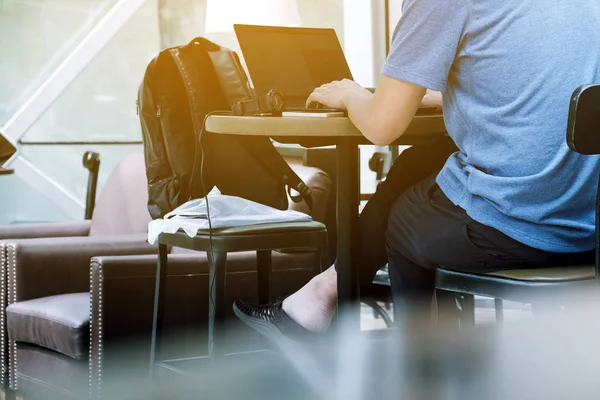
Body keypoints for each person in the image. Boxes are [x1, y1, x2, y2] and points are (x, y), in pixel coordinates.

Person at [233, 0, 600, 337]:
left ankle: (418, 376)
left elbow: (382, 126)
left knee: (404, 218)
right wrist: (431, 94)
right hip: (590, 225)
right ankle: (323, 292)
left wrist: (349, 93)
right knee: (423, 159)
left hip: (523, 228)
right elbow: (535, 86)